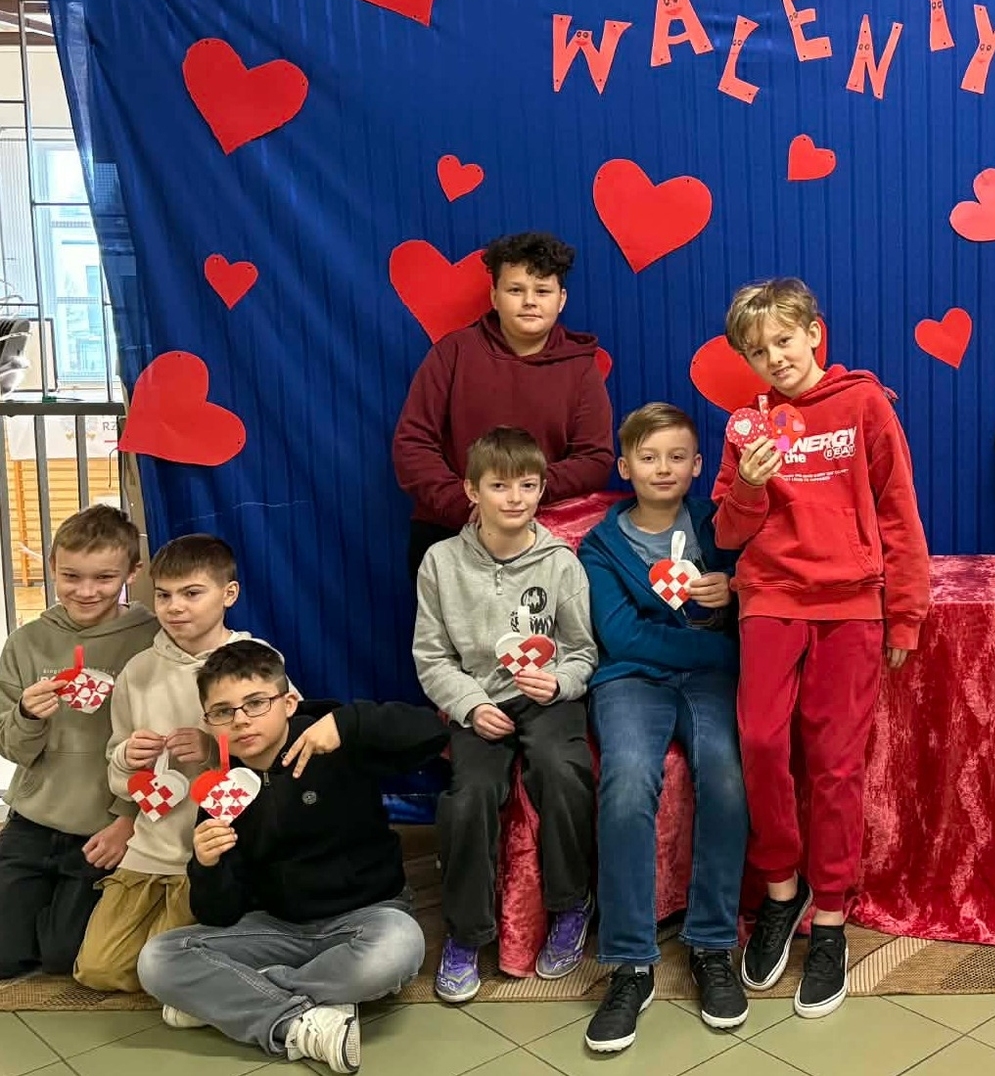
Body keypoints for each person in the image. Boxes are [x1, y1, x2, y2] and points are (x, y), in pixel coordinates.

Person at [712, 277, 929, 1019]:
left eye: (783, 339)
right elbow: (727, 533)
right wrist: (749, 485)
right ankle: (783, 891)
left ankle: (830, 917)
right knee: (760, 742)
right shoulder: (748, 427)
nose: (774, 357)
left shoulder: (863, 404)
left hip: (851, 604)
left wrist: (905, 615)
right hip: (770, 598)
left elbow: (898, 509)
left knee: (836, 761)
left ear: (814, 333)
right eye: (757, 350)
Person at [137, 641, 445, 1073]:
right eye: (222, 711)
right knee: (158, 959)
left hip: (367, 916)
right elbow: (219, 914)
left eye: (255, 703)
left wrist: (347, 723)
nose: (240, 720)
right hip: (277, 927)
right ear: (208, 722)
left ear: (288, 702)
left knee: (399, 945)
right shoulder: (222, 791)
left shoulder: (333, 740)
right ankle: (301, 1021)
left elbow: (432, 735)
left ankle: (237, 998)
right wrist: (207, 866)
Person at [578, 403, 749, 1053]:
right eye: (648, 457)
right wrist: (722, 650)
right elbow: (621, 637)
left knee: (726, 778)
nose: (663, 468)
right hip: (630, 681)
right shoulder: (601, 547)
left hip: (708, 683)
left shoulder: (718, 525)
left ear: (698, 465)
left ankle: (712, 946)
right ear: (625, 467)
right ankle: (629, 962)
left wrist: (732, 592)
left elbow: (757, 595)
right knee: (626, 784)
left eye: (677, 456)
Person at [413, 426, 599, 1003]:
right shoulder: (441, 562)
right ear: (472, 491)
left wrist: (560, 682)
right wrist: (470, 705)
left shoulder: (561, 563)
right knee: (468, 795)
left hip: (547, 699)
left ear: (542, 489)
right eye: (499, 485)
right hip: (480, 701)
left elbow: (583, 651)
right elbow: (432, 657)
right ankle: (467, 933)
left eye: (527, 485)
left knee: (562, 770)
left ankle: (571, 905)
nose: (515, 497)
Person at [74, 534, 253, 992]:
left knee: (166, 964)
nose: (175, 607)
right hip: (149, 850)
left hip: (217, 852)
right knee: (99, 970)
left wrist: (212, 749)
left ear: (228, 594)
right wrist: (126, 757)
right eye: (164, 595)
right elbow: (118, 773)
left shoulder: (257, 663)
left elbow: (277, 757)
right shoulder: (138, 671)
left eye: (191, 593)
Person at [392, 231, 616, 576]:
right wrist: (466, 503)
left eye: (542, 291)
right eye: (515, 290)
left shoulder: (580, 367)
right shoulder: (453, 353)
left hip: (542, 537)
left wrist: (521, 496)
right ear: (494, 297)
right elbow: (412, 445)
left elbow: (595, 459)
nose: (530, 301)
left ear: (561, 299)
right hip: (450, 530)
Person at [0, 506, 156, 979]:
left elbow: (165, 750)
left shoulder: (153, 641)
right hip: (33, 821)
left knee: (63, 956)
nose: (86, 591)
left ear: (133, 572)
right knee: (6, 956)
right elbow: (12, 748)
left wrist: (127, 819)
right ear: (52, 567)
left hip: (104, 827)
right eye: (71, 576)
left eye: (104, 577)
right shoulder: (26, 643)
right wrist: (27, 715)